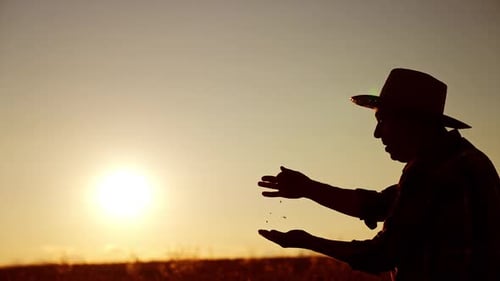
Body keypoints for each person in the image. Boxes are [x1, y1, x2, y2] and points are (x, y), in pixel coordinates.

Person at [257, 68, 500, 281]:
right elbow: (381, 205)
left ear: (412, 122)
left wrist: (307, 241)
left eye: (382, 120)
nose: (377, 133)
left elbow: (382, 255)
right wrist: (308, 188)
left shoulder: (432, 171)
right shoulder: (461, 160)